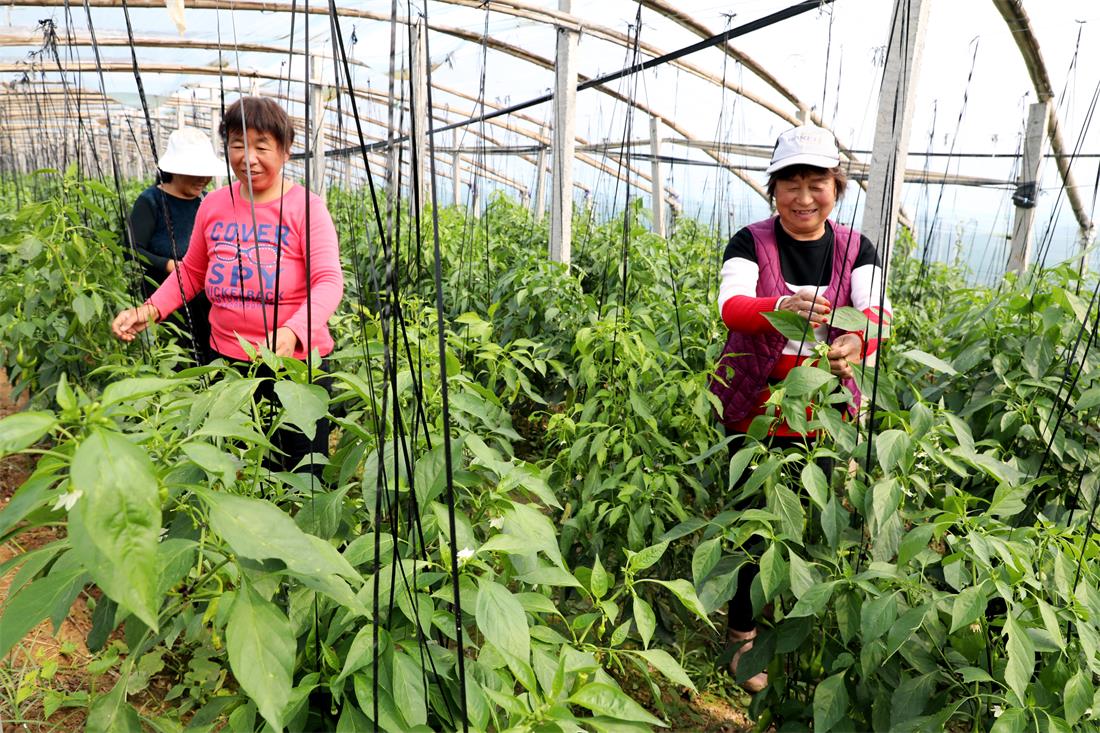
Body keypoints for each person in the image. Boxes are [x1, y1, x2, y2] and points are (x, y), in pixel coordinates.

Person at [710, 125, 892, 692]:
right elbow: (731, 305)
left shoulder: (857, 248)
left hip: (824, 411)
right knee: (754, 527)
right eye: (791, 184)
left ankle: (794, 628)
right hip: (756, 408)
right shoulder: (750, 241)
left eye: (818, 183)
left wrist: (857, 341)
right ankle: (742, 635)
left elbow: (878, 313)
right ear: (774, 189)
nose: (804, 197)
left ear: (837, 187)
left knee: (812, 520)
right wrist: (781, 305)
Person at [112, 96, 344, 475]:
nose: (248, 158)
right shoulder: (214, 205)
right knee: (238, 468)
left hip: (294, 363)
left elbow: (329, 281)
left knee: (302, 473)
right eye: (238, 145)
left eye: (261, 146)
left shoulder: (306, 207)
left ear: (285, 151)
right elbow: (192, 272)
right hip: (229, 363)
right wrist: (150, 309)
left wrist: (292, 331)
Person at [129, 126, 224, 364]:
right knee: (176, 358)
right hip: (164, 300)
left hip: (204, 301)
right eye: (195, 172)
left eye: (206, 173)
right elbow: (131, 249)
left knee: (207, 360)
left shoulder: (206, 201)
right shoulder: (151, 201)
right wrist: (169, 265)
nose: (203, 179)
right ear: (174, 170)